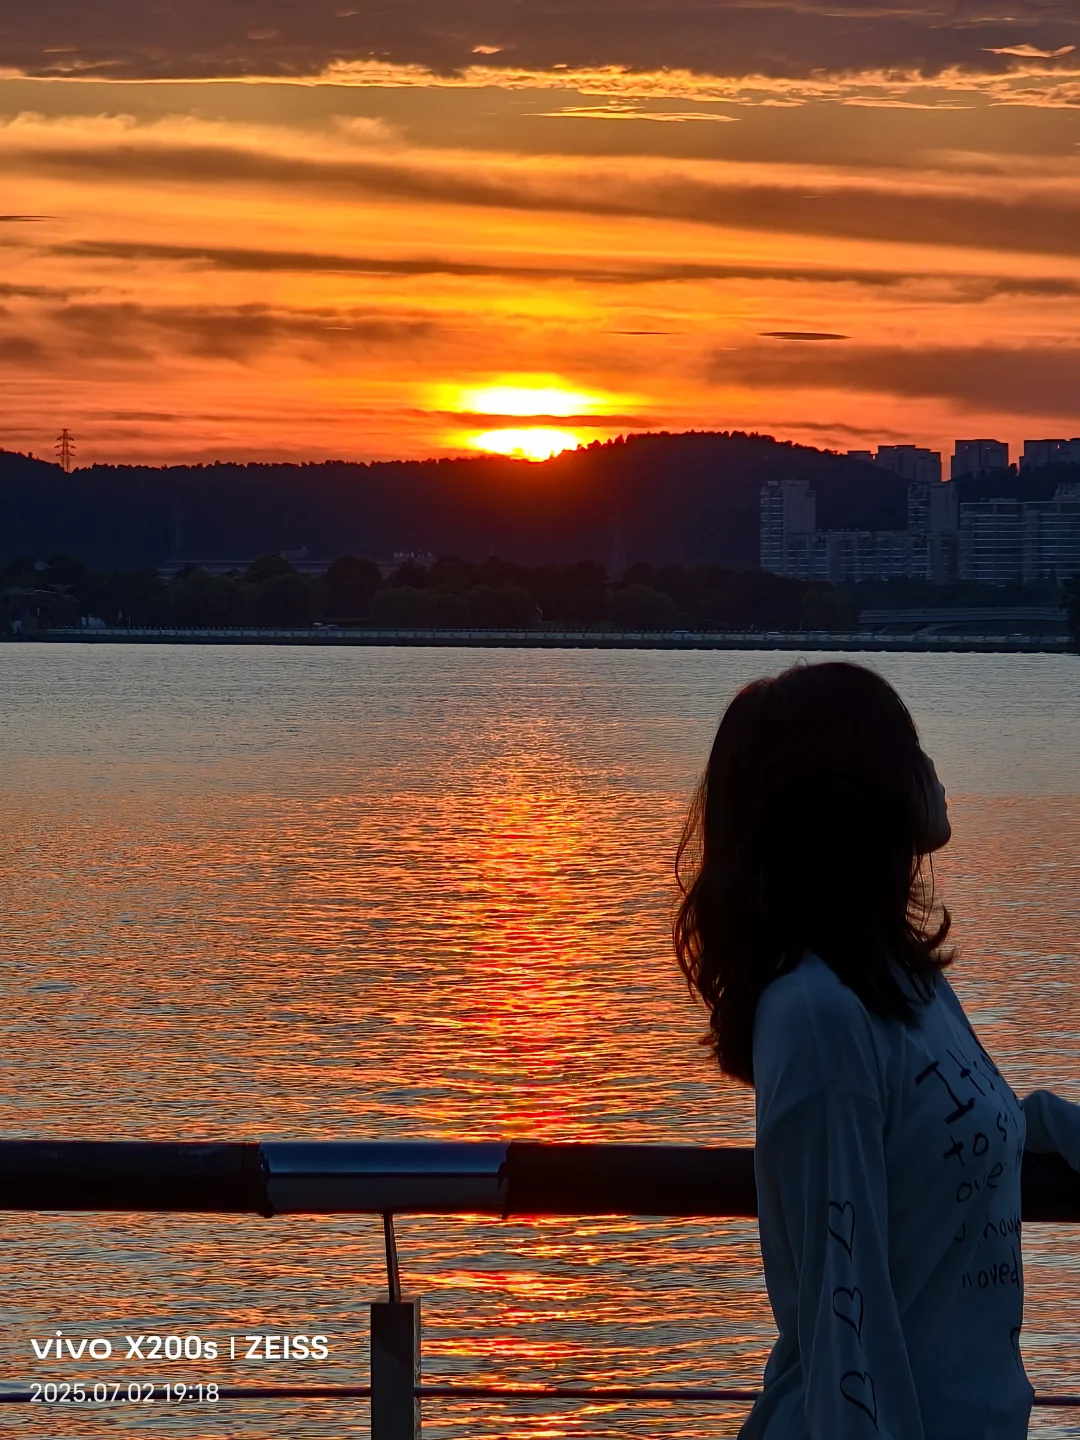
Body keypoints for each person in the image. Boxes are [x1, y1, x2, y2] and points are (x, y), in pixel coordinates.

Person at [673, 660, 1080, 1440]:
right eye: (910, 748)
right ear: (859, 791)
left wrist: (1052, 1127)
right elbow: (843, 1313)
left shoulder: (909, 984)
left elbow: (948, 1132)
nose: (932, 767)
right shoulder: (817, 1014)